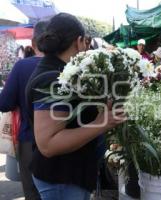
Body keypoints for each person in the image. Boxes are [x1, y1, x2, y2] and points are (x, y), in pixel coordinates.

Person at [25, 13, 126, 200]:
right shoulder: (52, 79)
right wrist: (102, 123)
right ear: (79, 41)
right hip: (62, 180)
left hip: (66, 176)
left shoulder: (57, 71)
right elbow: (49, 144)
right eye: (86, 42)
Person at [0, 20, 49, 200]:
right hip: (64, 141)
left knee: (33, 192)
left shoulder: (22, 67)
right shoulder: (68, 66)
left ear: (33, 43)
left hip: (29, 140)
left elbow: (4, 103)